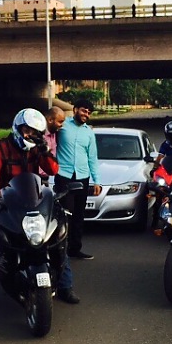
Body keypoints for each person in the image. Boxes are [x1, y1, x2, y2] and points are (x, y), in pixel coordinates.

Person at [0, 108, 79, 310]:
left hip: (33, 200)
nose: (30, 135)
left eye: (35, 132)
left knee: (57, 238)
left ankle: (65, 286)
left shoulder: (37, 148)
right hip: (5, 202)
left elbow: (53, 170)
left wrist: (45, 151)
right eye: (27, 130)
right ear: (18, 128)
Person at [55, 98, 102, 260]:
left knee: (78, 215)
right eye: (83, 111)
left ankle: (75, 249)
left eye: (89, 113)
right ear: (75, 110)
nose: (86, 114)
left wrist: (97, 181)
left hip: (83, 177)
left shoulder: (89, 132)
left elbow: (92, 158)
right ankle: (59, 248)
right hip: (64, 176)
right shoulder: (62, 126)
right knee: (63, 213)